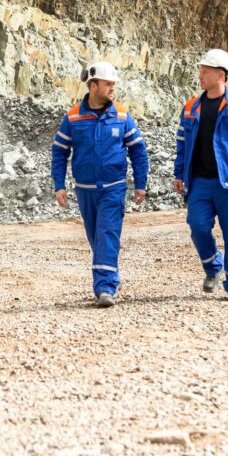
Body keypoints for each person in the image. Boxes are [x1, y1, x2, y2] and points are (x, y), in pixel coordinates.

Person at [51, 62, 149, 308]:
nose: (112, 88)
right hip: (84, 190)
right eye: (108, 84)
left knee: (107, 234)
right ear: (93, 86)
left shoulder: (123, 116)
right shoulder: (73, 117)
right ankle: (111, 277)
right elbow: (59, 152)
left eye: (114, 84)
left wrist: (140, 183)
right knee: (96, 238)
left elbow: (138, 151)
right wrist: (59, 185)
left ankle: (104, 288)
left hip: (113, 188)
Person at [173, 49, 228, 300]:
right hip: (200, 181)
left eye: (205, 72)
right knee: (197, 225)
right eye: (200, 71)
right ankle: (213, 266)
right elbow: (182, 142)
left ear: (220, 74)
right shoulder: (191, 106)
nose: (200, 76)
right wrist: (179, 173)